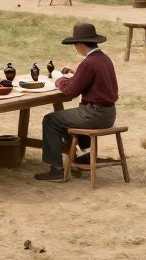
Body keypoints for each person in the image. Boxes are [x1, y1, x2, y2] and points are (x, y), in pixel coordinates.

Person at [35, 23, 118, 182]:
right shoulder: (104, 59)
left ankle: (56, 169)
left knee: (51, 120)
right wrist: (76, 73)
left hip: (94, 114)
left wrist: (58, 78)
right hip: (108, 113)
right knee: (67, 117)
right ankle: (83, 155)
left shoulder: (89, 63)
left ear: (80, 45)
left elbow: (70, 91)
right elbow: (91, 80)